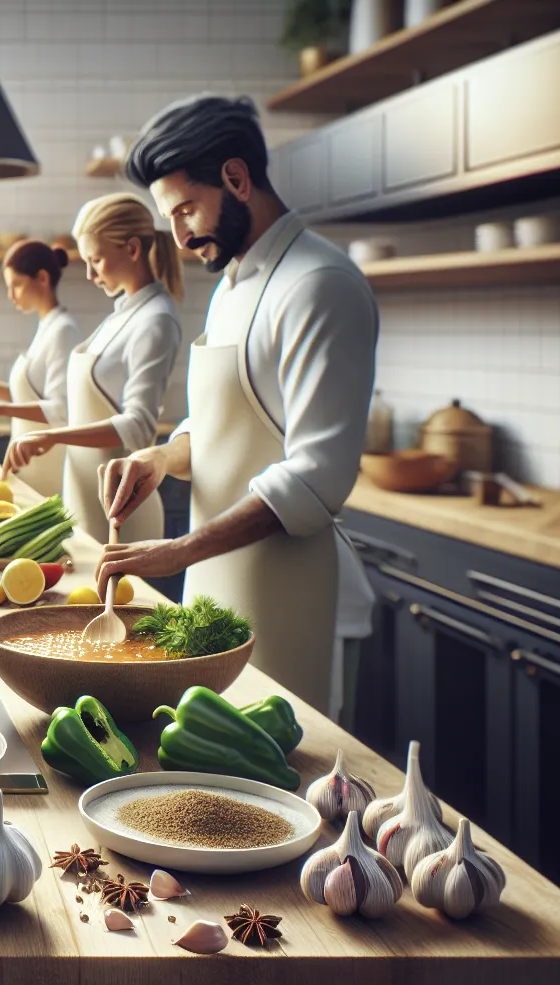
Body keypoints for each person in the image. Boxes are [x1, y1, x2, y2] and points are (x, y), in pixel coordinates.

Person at [99, 94, 378, 710]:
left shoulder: (319, 285)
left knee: (279, 774)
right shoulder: (231, 284)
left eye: (186, 210)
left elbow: (317, 478)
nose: (177, 235)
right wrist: (161, 460)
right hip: (215, 581)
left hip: (286, 592)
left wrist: (177, 551)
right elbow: (221, 425)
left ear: (236, 178)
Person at [4, 193, 183, 545]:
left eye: (96, 261)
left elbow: (138, 426)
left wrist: (52, 435)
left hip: (122, 509)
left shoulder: (156, 319)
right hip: (85, 499)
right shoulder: (122, 313)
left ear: (132, 249)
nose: (88, 274)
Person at [0, 241, 81, 497]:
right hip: (29, 469)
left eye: (16, 285)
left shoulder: (63, 331)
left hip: (47, 470)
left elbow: (60, 410)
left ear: (42, 278)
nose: (11, 295)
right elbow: (30, 399)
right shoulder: (47, 327)